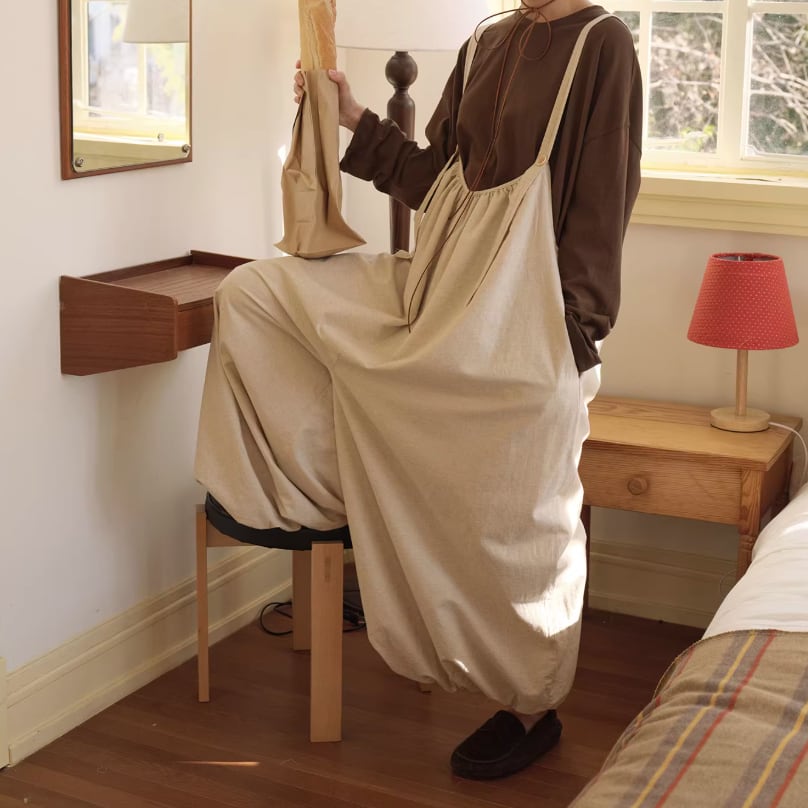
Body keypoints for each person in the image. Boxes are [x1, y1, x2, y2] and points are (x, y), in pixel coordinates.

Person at [195, 0, 642, 781]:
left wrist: (569, 339)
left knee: (514, 513)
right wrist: (352, 115)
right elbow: (439, 181)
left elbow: (603, 207)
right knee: (255, 293)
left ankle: (530, 706)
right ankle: (337, 493)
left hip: (526, 322)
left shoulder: (602, 45)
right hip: (433, 289)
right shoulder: (489, 37)